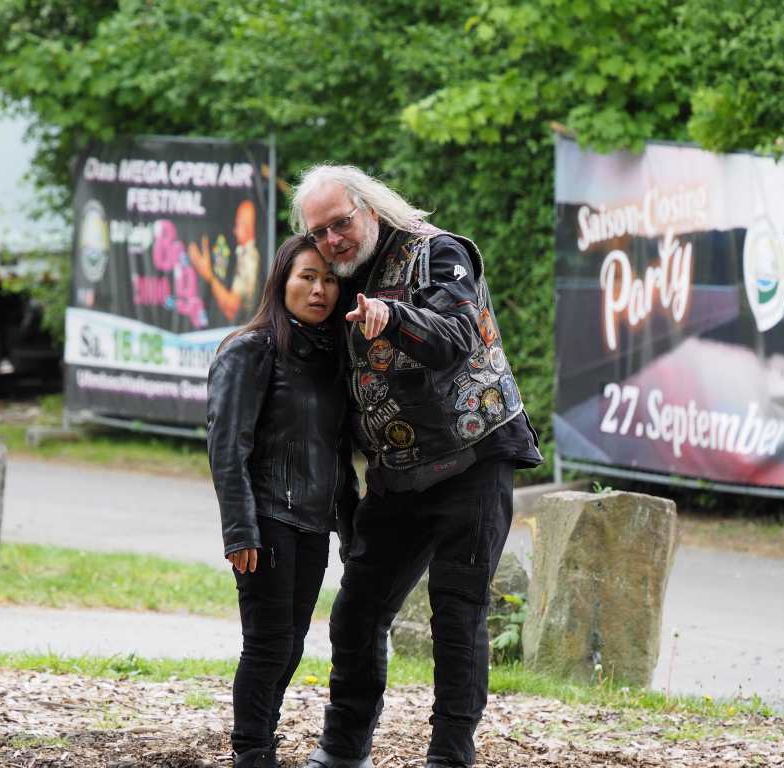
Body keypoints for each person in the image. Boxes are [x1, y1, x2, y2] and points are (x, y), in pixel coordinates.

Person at [289, 165, 543, 768]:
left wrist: (395, 317)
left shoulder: (438, 253)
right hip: (397, 477)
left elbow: (455, 336)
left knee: (457, 615)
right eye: (319, 232)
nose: (332, 240)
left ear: (370, 209)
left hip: (473, 461)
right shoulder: (335, 278)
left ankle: (449, 757)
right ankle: (343, 750)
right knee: (356, 611)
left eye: (340, 224)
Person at [206, 235, 359, 768]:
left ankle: (261, 743)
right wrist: (240, 530)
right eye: (307, 277)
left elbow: (337, 452)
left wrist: (350, 526)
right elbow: (227, 447)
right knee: (268, 643)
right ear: (281, 281)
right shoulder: (249, 349)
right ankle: (252, 753)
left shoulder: (332, 356)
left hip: (313, 524)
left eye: (330, 279)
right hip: (266, 518)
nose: (320, 290)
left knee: (291, 644)